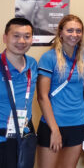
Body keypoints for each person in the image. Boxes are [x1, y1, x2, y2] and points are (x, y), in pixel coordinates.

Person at [36, 14, 84, 168]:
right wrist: (55, 130)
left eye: (78, 31)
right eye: (70, 30)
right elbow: (42, 96)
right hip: (52, 124)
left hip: (78, 123)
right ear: (61, 33)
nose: (74, 35)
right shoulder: (48, 58)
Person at [0, 18, 38, 167]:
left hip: (25, 139)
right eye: (16, 36)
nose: (21, 41)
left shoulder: (33, 64)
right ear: (5, 37)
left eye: (27, 36)